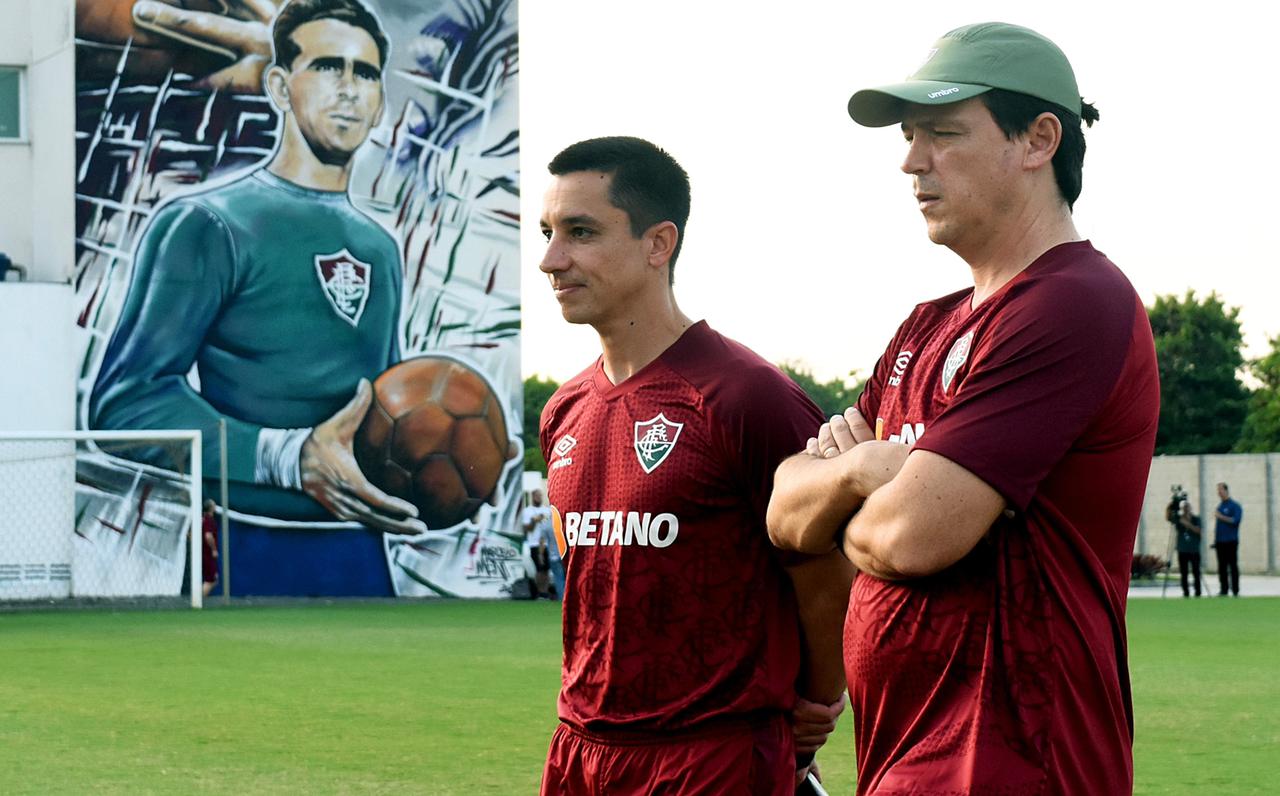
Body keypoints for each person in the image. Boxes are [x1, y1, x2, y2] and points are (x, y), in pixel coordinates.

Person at [767, 23, 1160, 794]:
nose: (912, 159)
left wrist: (848, 482)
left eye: (944, 134)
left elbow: (913, 536)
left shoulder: (1073, 301)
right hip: (903, 760)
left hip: (1013, 763)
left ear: (1039, 139)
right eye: (911, 137)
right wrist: (869, 472)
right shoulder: (926, 325)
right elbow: (783, 511)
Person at [537, 137, 852, 794]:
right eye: (547, 233)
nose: (550, 260)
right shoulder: (563, 410)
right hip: (580, 750)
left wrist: (817, 700)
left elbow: (824, 565)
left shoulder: (746, 397)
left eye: (580, 233)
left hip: (710, 754)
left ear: (659, 245)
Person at [89, 0, 425, 594]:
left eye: (365, 73)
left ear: (378, 104)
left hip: (361, 551)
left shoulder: (379, 248)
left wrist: (445, 448)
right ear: (278, 86)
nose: (349, 89)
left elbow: (380, 412)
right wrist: (286, 457)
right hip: (249, 540)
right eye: (326, 67)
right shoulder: (205, 223)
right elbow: (126, 403)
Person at [521, 489, 555, 599]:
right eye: (537, 496)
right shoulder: (528, 511)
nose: (539, 498)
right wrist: (533, 521)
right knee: (539, 568)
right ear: (532, 497)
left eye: (540, 495)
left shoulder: (547, 510)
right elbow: (527, 529)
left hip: (547, 543)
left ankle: (545, 591)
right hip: (534, 543)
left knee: (546, 569)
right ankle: (540, 591)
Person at [1213, 482, 1242, 596]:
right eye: (1218, 490)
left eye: (1220, 490)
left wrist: (1221, 517)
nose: (1219, 492)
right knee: (1222, 566)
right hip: (1220, 541)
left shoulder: (1234, 506)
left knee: (1233, 565)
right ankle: (1224, 589)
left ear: (1226, 490)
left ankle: (1235, 590)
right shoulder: (1220, 506)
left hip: (1231, 541)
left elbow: (1235, 521)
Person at [1172, 500, 1204, 597]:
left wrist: (1187, 524)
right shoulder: (1179, 520)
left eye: (1188, 507)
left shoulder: (1196, 519)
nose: (1186, 510)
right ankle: (1186, 592)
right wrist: (1173, 504)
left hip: (1194, 549)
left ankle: (1198, 591)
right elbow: (1169, 517)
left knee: (1196, 571)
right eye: (1184, 508)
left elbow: (1199, 531)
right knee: (1184, 572)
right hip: (1183, 549)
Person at [201, 499, 220, 597]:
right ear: (211, 507)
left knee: (214, 579)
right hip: (207, 554)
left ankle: (201, 599)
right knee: (211, 580)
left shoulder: (202, 519)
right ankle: (200, 600)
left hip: (203, 553)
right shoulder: (209, 520)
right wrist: (214, 549)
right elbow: (208, 536)